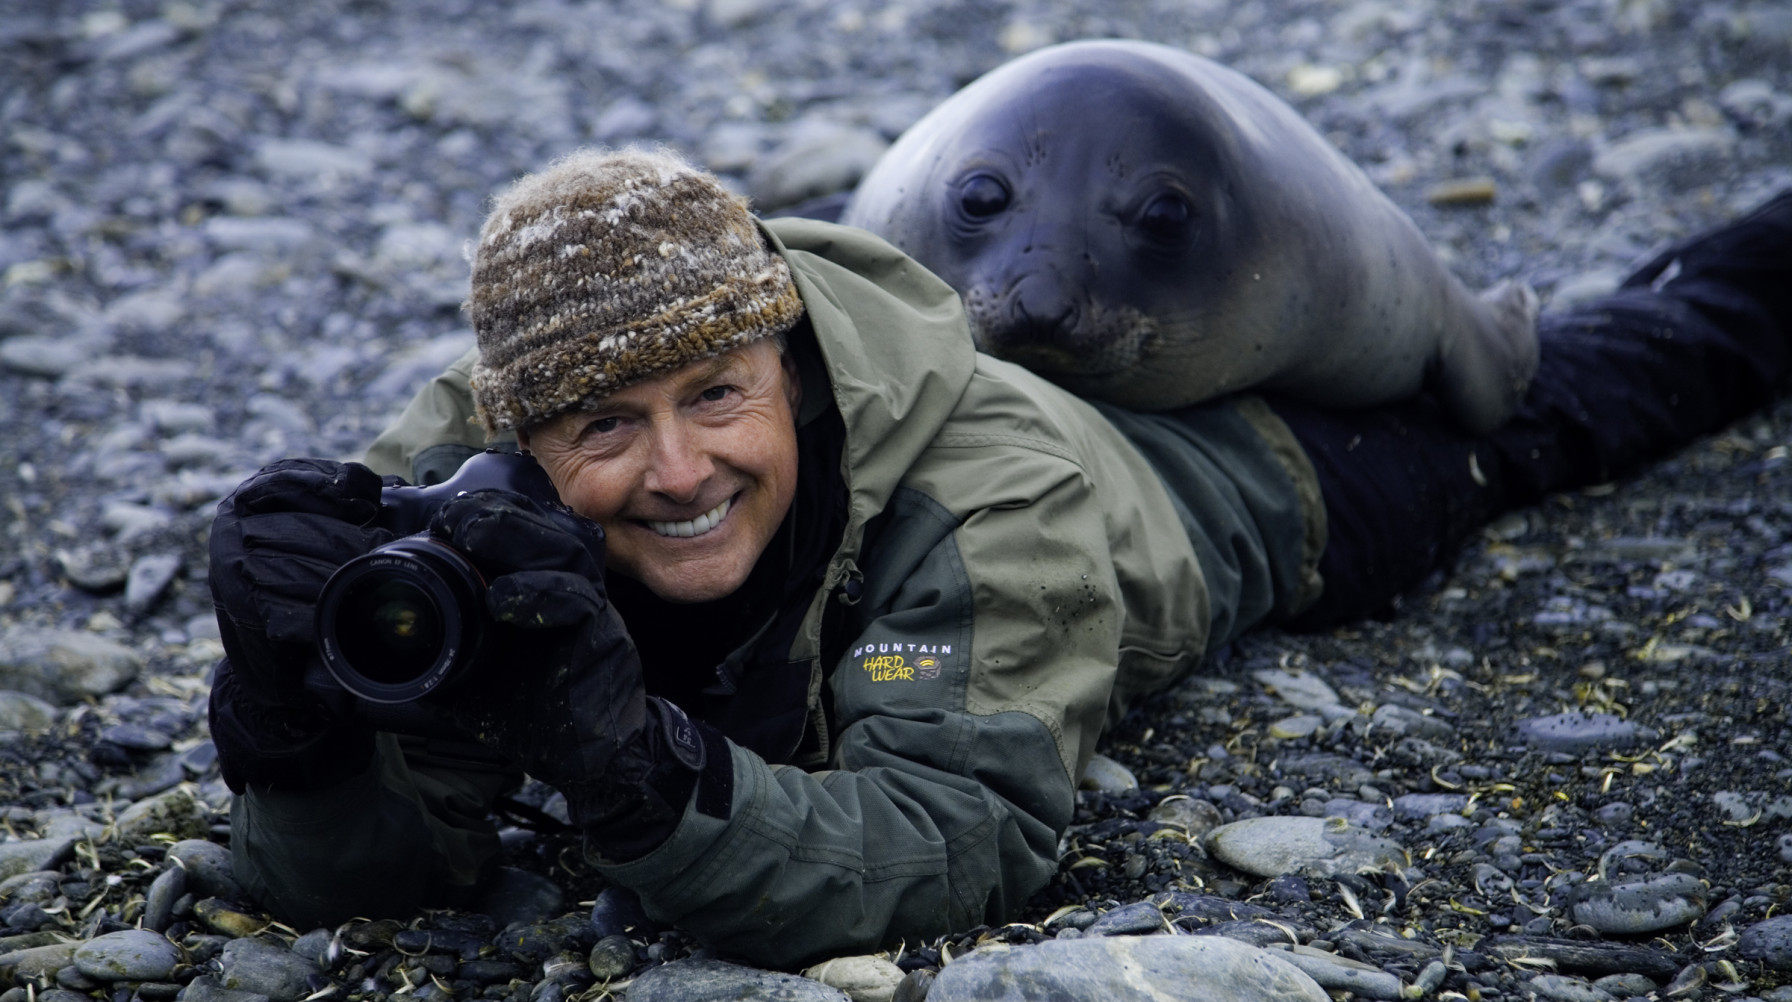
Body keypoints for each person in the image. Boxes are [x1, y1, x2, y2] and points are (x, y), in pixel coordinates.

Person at [206, 147, 1792, 967]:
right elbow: (377, 878)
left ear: (792, 374)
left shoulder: (986, 498)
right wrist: (291, 718)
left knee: (1576, 387)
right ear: (518, 429)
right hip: (1024, 329)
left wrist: (633, 766)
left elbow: (959, 836)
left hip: (1258, 477)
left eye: (716, 396)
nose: (677, 471)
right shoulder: (459, 491)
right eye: (607, 427)